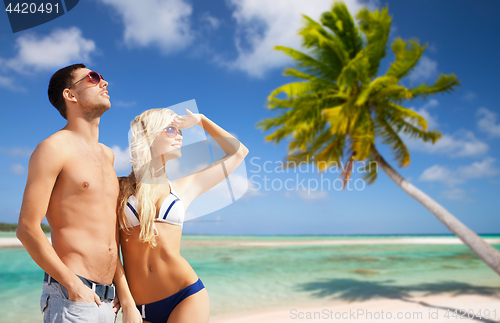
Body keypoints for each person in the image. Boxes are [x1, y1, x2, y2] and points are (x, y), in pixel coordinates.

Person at [16, 63, 142, 323]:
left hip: (109, 302)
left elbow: (109, 237)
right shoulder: (53, 149)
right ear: (70, 95)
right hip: (72, 297)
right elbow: (27, 228)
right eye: (93, 78)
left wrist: (127, 297)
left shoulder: (107, 155)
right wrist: (73, 285)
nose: (104, 82)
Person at [118, 107, 249, 323]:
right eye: (171, 129)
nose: (179, 135)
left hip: (185, 295)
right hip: (139, 305)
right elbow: (110, 248)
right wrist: (126, 301)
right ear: (149, 135)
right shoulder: (119, 189)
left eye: (180, 131)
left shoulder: (183, 188)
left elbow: (238, 152)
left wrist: (202, 120)